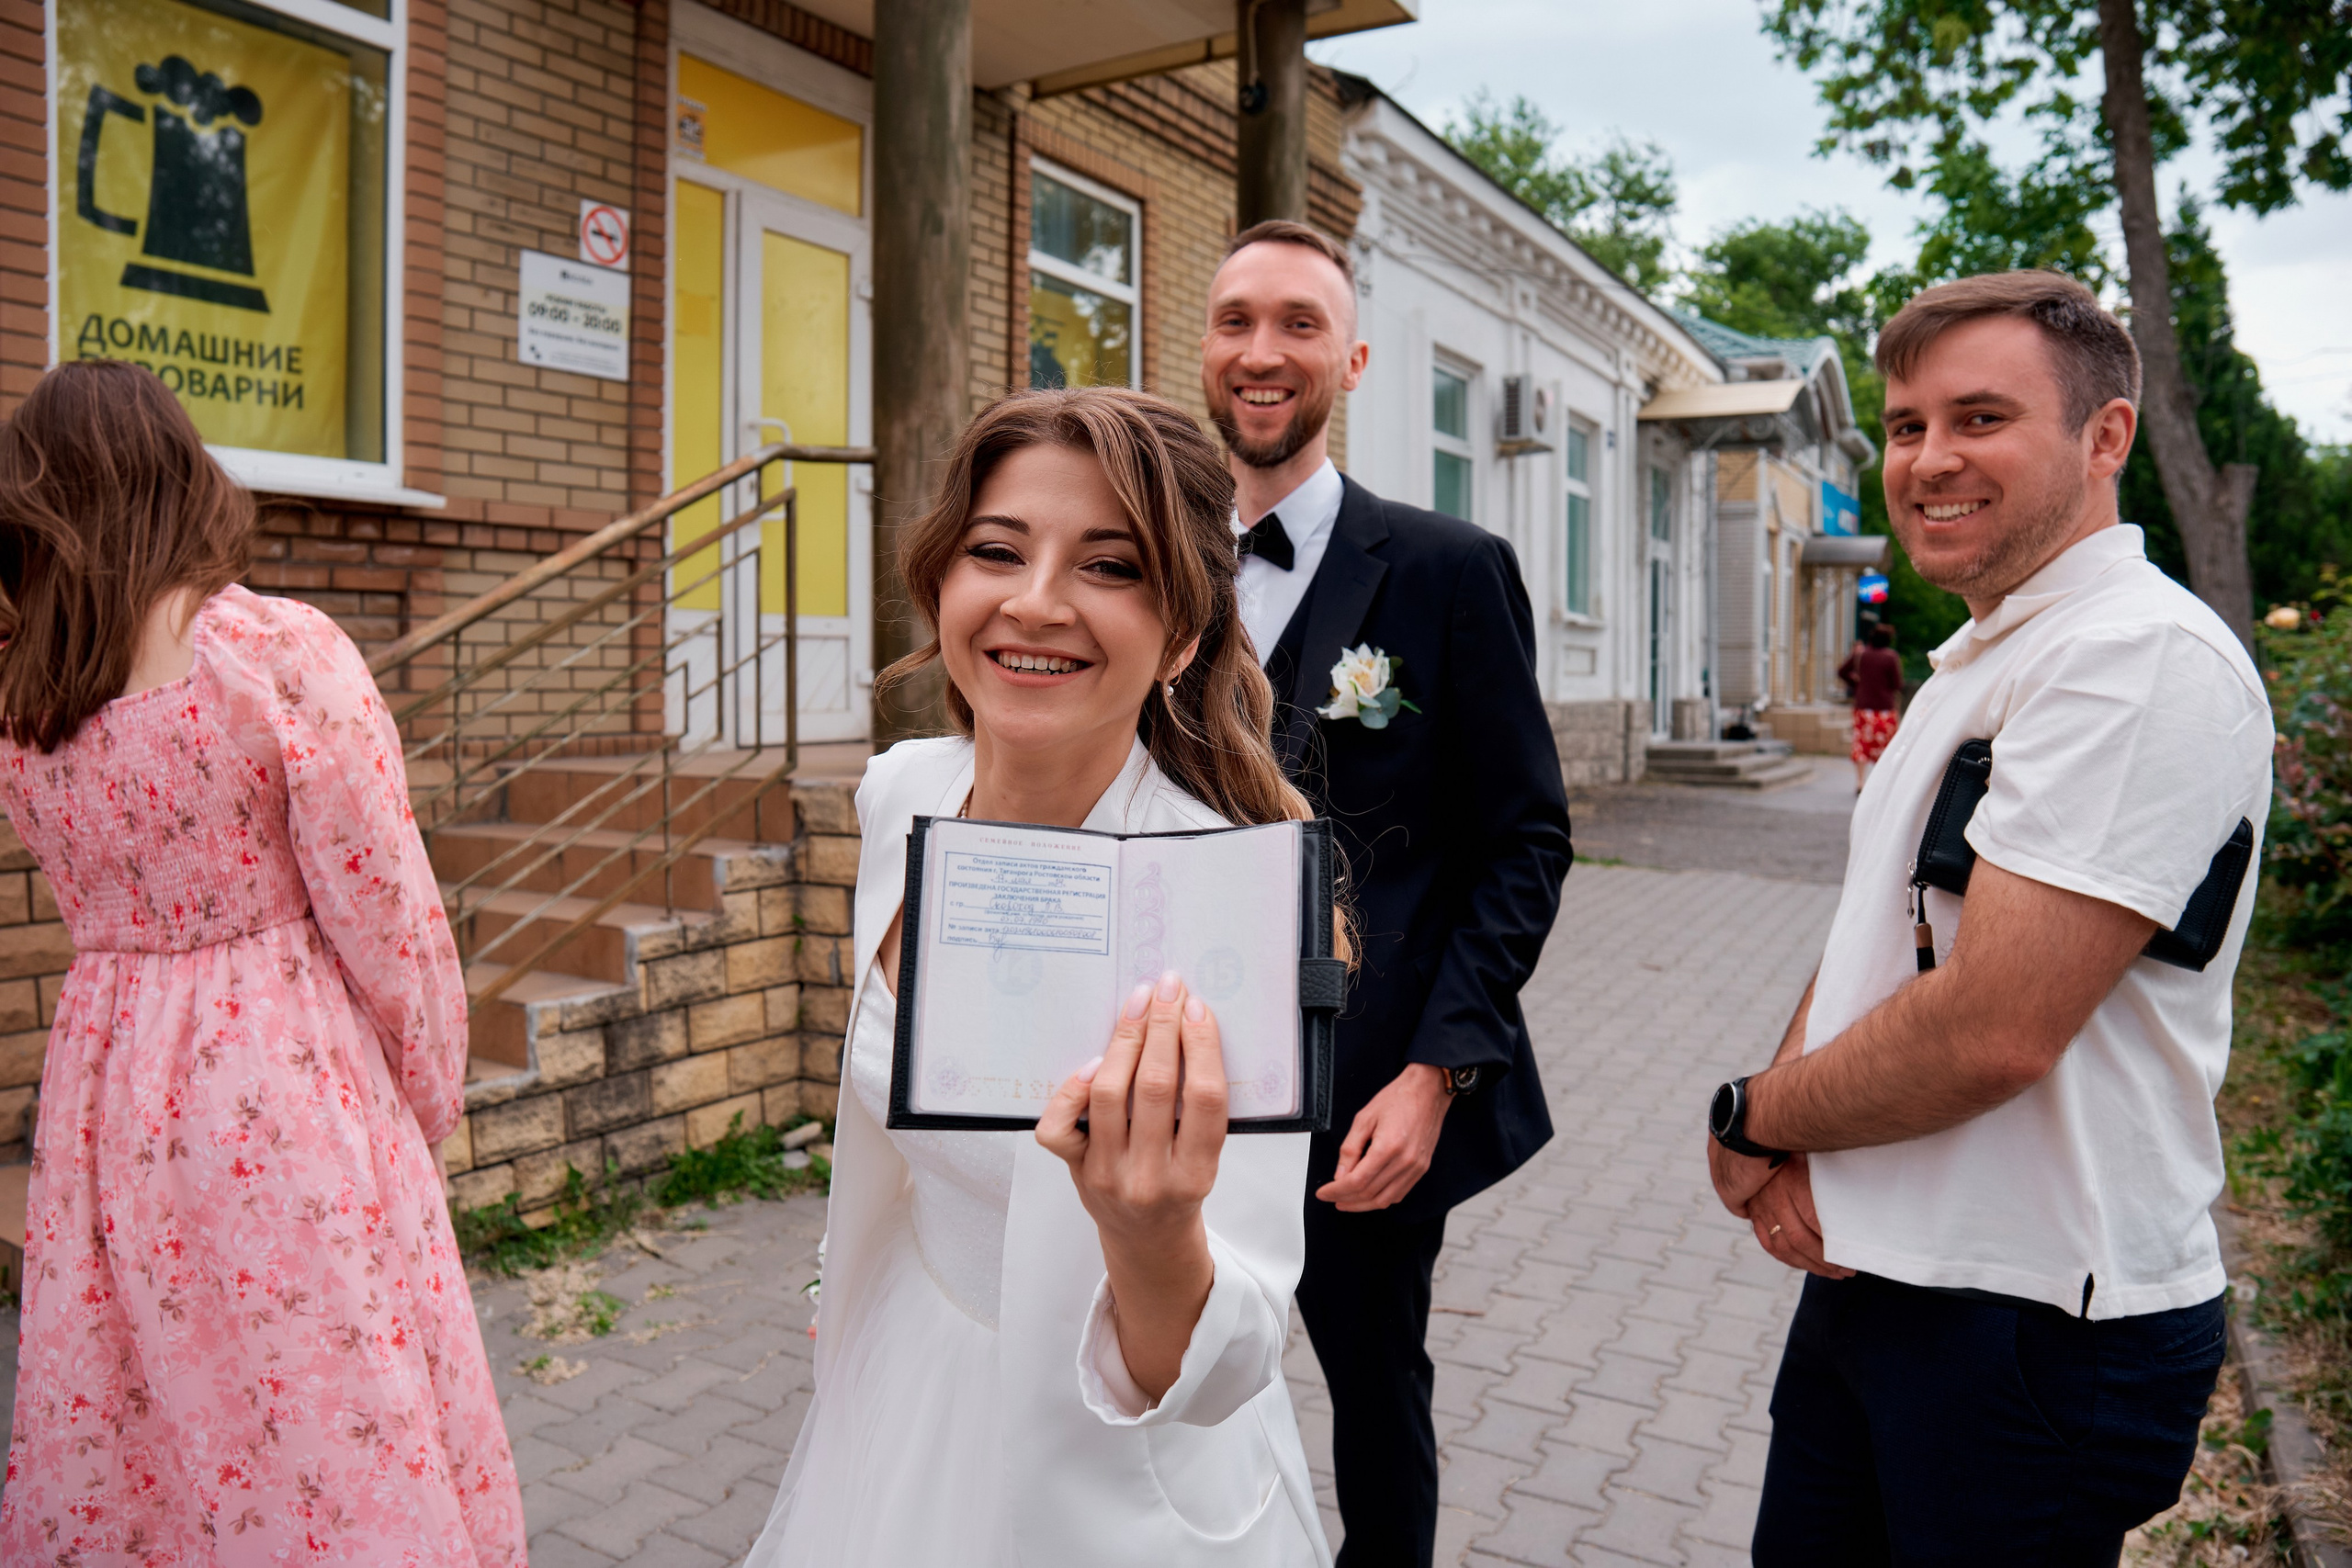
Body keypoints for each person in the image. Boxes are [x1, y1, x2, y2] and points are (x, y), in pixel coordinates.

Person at [1703, 272, 2271, 1561]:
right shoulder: (1992, 653)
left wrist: (1753, 1115)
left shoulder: (2134, 657)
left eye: (1979, 418)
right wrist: (1797, 1145)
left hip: (2029, 1324)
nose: (1928, 460)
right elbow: (1878, 934)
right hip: (1887, 1276)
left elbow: (1991, 1028)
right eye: (1906, 426)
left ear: (2105, 436)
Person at [744, 387, 1332, 1566]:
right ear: (941, 583)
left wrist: (1151, 1232)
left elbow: (1227, 1364)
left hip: (1116, 1479)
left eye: (1108, 566)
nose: (1035, 602)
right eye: (997, 551)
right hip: (905, 1376)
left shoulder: (1224, 904)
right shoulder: (901, 791)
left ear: (1181, 636)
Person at [0, 361, 524, 1561]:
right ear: (177, 473)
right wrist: (427, 1085)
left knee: (154, 1397)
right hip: (275, 1076)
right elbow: (383, 902)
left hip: (106, 1088)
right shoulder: (268, 650)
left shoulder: (29, 693)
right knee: (324, 1397)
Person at [1201, 220, 1574, 1567]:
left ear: (1351, 360)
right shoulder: (1144, 556)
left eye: (1299, 323)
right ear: (1204, 347)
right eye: (1237, 320)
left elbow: (1524, 842)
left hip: (1363, 1097)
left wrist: (1434, 1074)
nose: (1263, 350)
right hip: (1170, 1073)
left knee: (1374, 1398)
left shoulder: (1446, 569)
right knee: (1161, 1385)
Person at [1837, 623, 1903, 792]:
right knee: (1885, 747)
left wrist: (1857, 684)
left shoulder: (1860, 655)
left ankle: (1860, 781)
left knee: (1861, 745)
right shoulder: (1891, 657)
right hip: (1885, 709)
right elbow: (1897, 684)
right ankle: (1880, 783)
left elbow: (1842, 671)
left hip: (1863, 708)